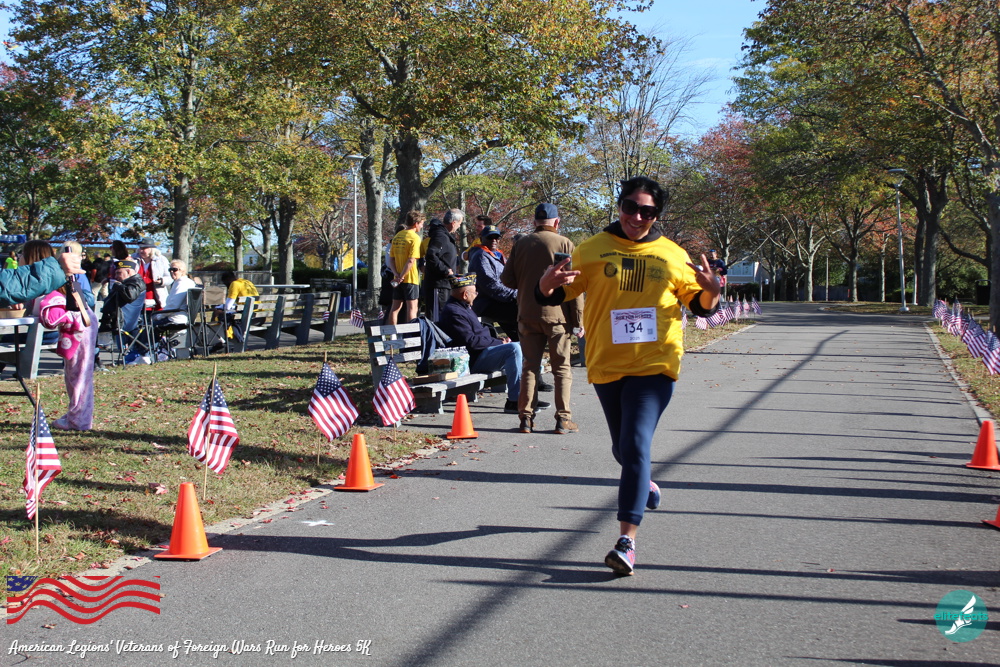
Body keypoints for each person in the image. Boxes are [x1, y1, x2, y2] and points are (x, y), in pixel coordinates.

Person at [538, 176, 720, 576]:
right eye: (630, 207)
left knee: (636, 445)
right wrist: (545, 285)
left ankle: (626, 542)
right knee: (624, 451)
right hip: (607, 363)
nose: (637, 217)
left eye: (648, 212)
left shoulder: (672, 254)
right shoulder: (592, 249)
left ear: (657, 215)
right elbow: (560, 292)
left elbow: (701, 306)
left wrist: (712, 291)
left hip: (656, 364)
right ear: (619, 205)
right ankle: (645, 483)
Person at [500, 202, 582, 435]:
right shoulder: (565, 243)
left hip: (527, 314)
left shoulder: (521, 244)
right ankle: (563, 419)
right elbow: (574, 286)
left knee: (529, 368)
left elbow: (506, 280)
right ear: (556, 222)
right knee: (561, 369)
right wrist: (578, 321)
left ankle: (526, 418)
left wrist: (527, 280)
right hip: (557, 317)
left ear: (534, 221)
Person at [436, 274, 547, 414]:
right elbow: (472, 342)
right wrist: (499, 342)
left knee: (523, 346)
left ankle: (529, 398)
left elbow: (478, 337)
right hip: (471, 360)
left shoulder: (463, 307)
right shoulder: (454, 312)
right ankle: (515, 400)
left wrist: (498, 342)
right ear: (465, 295)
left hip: (481, 354)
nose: (476, 295)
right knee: (513, 349)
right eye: (475, 292)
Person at [22, 241, 97, 430]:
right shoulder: (48, 277)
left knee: (79, 375)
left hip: (79, 326)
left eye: (23, 254)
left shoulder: (46, 280)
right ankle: (76, 415)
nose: (19, 258)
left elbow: (42, 311)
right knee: (74, 375)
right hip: (77, 324)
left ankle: (79, 420)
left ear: (31, 257)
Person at [468, 225, 519, 341]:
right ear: (481, 239)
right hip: (486, 303)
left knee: (524, 310)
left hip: (501, 300)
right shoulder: (480, 256)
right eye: (490, 237)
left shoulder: (498, 255)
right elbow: (490, 285)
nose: (494, 240)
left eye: (496, 237)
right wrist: (516, 295)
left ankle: (523, 345)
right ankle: (523, 345)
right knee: (521, 310)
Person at [423, 209, 461, 321]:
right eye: (459, 223)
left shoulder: (446, 236)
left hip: (445, 285)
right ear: (453, 223)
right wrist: (445, 270)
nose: (459, 226)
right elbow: (431, 255)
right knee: (436, 319)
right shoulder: (440, 236)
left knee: (444, 317)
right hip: (438, 285)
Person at [388, 211, 425, 325]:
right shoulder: (415, 238)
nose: (422, 226)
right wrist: (402, 276)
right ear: (416, 223)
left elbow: (391, 259)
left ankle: (392, 333)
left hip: (397, 278)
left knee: (395, 308)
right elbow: (411, 260)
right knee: (412, 308)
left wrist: (397, 275)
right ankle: (410, 333)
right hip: (410, 278)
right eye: (421, 223)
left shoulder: (397, 236)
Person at [214, 270, 259, 348]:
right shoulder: (246, 282)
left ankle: (219, 340)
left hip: (248, 318)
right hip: (258, 317)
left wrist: (218, 308)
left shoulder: (234, 284)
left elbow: (228, 306)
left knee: (218, 312)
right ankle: (221, 340)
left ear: (227, 280)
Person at [152, 259, 196, 326]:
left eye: (175, 269)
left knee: (147, 328)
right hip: (177, 316)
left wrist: (159, 316)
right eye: (170, 270)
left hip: (175, 318)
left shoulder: (182, 283)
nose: (171, 272)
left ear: (182, 271)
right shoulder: (184, 282)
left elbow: (173, 305)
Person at [133, 237, 171, 308]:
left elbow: (170, 277)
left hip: (156, 299)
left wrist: (162, 281)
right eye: (140, 248)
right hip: (136, 300)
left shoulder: (161, 260)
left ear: (151, 249)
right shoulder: (133, 259)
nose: (141, 251)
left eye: (144, 248)